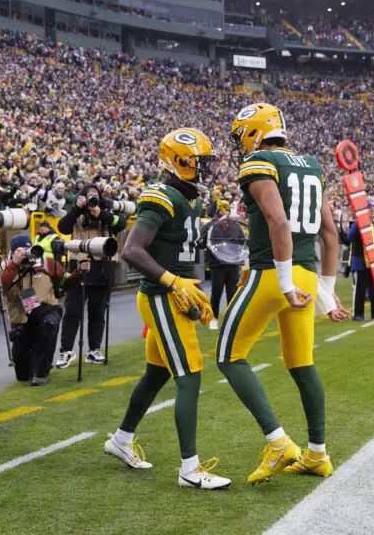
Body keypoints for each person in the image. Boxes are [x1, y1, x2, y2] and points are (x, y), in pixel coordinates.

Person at [217, 103, 350, 484]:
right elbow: (329, 234)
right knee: (301, 364)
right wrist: (325, 290)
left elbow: (277, 221)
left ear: (254, 132)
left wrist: (285, 282)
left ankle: (279, 445)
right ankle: (317, 454)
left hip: (274, 274)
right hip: (306, 274)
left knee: (229, 356)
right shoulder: (310, 164)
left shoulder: (259, 161)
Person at [106, 128, 230, 490]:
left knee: (157, 374)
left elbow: (186, 251)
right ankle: (190, 469)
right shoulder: (160, 196)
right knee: (190, 374)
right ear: (178, 162)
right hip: (161, 297)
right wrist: (174, 284)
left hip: (175, 296)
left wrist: (197, 293)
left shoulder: (189, 197)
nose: (205, 171)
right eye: (199, 164)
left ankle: (121, 439)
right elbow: (132, 250)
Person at [55, 183, 127, 367]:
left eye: (95, 196)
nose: (92, 200)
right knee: (72, 311)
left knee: (98, 312)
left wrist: (100, 214)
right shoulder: (76, 212)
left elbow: (121, 224)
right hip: (79, 264)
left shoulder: (106, 210)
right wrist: (76, 209)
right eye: (89, 196)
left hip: (103, 266)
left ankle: (94, 350)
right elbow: (63, 227)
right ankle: (66, 350)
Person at [0, 234, 64, 386]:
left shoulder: (45, 262)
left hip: (45, 312)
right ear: (12, 252)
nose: (26, 254)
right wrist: (14, 265)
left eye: (28, 250)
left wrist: (79, 274)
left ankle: (41, 373)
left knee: (49, 323)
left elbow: (66, 279)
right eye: (20, 251)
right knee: (23, 376)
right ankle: (34, 360)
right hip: (21, 322)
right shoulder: (6, 266)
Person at [198, 201, 245, 331]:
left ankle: (230, 319)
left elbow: (242, 243)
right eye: (222, 209)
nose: (224, 212)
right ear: (217, 211)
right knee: (216, 292)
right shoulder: (210, 226)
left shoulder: (235, 226)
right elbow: (200, 243)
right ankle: (214, 318)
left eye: (227, 209)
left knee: (232, 293)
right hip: (217, 264)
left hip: (233, 264)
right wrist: (206, 238)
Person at [348, 213, 374, 321]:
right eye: (369, 208)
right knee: (361, 288)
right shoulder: (358, 223)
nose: (371, 210)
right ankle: (358, 314)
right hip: (361, 260)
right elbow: (349, 238)